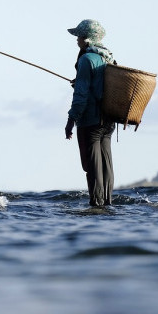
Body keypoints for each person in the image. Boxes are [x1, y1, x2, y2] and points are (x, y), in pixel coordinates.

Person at [64, 19, 116, 206]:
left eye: (78, 36)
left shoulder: (86, 59)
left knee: (92, 166)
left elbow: (81, 95)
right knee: (106, 163)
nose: (76, 40)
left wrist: (71, 120)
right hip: (109, 121)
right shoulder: (108, 57)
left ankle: (96, 204)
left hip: (90, 121)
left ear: (86, 39)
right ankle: (108, 204)